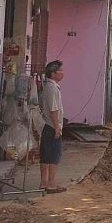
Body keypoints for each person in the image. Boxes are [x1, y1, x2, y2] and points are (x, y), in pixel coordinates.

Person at [39, 60, 67, 193]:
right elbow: (54, 110)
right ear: (53, 73)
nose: (63, 73)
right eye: (60, 71)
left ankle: (44, 182)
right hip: (52, 125)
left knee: (45, 155)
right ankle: (51, 183)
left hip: (47, 126)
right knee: (53, 156)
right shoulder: (52, 88)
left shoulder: (49, 87)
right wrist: (57, 127)